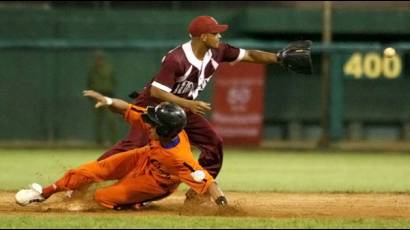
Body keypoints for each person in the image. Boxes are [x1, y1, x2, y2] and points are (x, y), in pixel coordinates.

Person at [98, 15, 311, 202]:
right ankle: (90, 178)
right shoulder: (177, 59)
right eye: (215, 33)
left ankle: (198, 194)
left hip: (183, 109)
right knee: (132, 146)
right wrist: (189, 104)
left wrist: (278, 58)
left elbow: (249, 55)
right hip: (154, 107)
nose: (219, 37)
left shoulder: (219, 51)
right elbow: (156, 92)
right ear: (203, 37)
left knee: (213, 143)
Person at [15, 90, 227, 210]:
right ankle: (43, 193)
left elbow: (209, 182)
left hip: (158, 182)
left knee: (102, 197)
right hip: (144, 156)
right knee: (89, 171)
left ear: (164, 129)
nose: (148, 124)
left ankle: (135, 202)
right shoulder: (158, 127)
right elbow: (126, 108)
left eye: (153, 124)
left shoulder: (179, 158)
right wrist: (106, 100)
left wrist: (225, 208)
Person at [87, 50, 117, 146]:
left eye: (100, 59)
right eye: (97, 59)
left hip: (107, 96)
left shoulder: (109, 69)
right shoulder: (92, 70)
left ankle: (114, 141)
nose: (99, 61)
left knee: (111, 120)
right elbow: (89, 83)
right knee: (98, 121)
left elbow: (114, 81)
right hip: (97, 96)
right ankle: (98, 142)